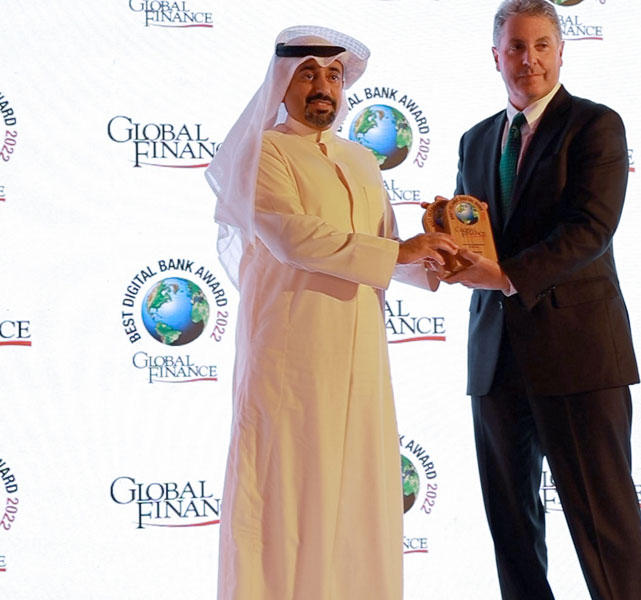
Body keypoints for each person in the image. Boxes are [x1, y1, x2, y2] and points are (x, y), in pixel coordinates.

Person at [205, 26, 457, 600]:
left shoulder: (361, 159)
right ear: (282, 83)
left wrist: (440, 257)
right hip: (291, 361)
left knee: (356, 500)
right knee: (288, 497)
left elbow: (387, 247)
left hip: (359, 360)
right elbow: (296, 238)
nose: (323, 86)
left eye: (334, 75)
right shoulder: (262, 152)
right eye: (308, 74)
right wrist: (401, 254)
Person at [441, 1, 641, 599]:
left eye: (540, 46)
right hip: (495, 358)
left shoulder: (596, 126)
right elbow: (472, 230)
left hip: (578, 356)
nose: (528, 59)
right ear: (496, 56)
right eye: (516, 46)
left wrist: (506, 274)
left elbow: (591, 229)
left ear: (561, 52)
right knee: (511, 532)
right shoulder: (475, 140)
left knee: (605, 528)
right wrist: (446, 250)